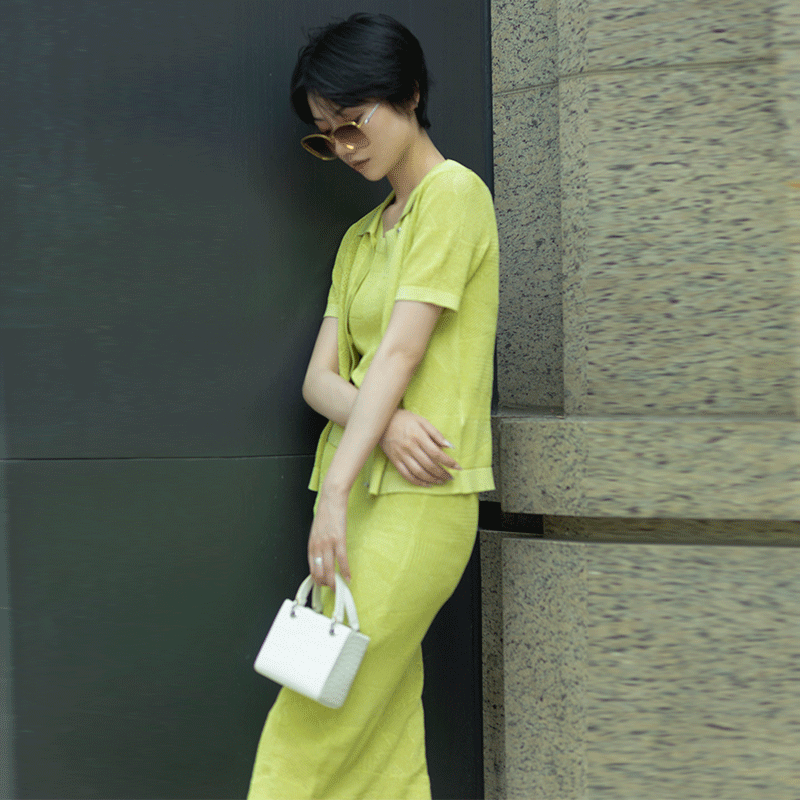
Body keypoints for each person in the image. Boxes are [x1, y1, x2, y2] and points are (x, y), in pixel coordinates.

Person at [248, 12, 498, 800]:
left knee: (314, 712)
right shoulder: (361, 237)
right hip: (356, 496)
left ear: (410, 94)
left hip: (419, 499)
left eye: (353, 122)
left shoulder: (453, 196)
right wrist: (383, 422)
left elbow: (399, 353)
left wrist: (335, 491)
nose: (346, 147)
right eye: (327, 135)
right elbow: (318, 382)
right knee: (378, 729)